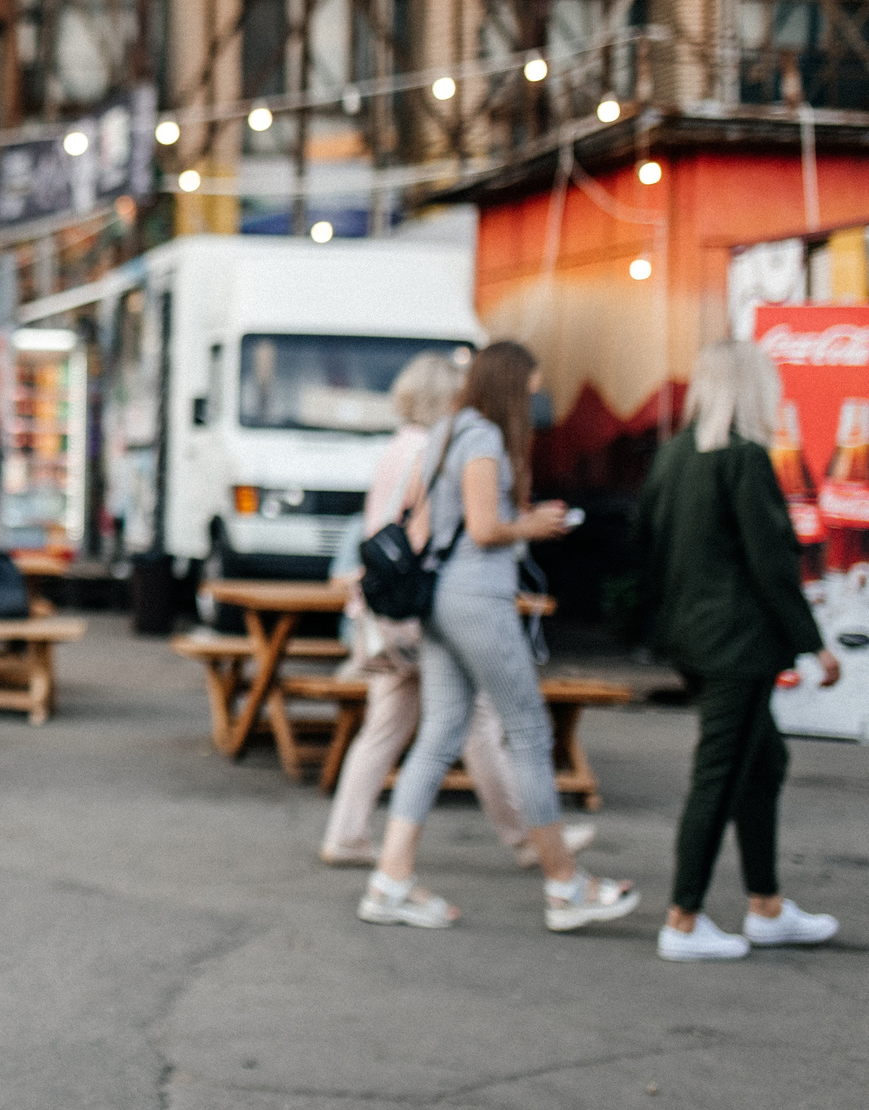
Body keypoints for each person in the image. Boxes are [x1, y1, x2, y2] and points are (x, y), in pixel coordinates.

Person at [360, 341, 637, 934]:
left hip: (439, 598)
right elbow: (485, 529)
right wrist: (533, 524)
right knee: (530, 732)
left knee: (438, 735)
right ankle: (565, 884)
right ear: (512, 385)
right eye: (532, 388)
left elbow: (429, 519)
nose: (536, 400)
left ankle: (390, 880)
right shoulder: (484, 438)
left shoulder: (446, 432)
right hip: (477, 599)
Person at [320, 353, 589, 870]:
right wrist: (522, 524)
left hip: (392, 603)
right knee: (480, 723)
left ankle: (350, 836)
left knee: (393, 728)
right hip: (428, 602)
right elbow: (456, 528)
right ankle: (528, 838)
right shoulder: (439, 446)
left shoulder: (399, 446)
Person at [633, 341, 842, 962]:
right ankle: (684, 919)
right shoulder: (745, 459)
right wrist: (815, 645)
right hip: (739, 645)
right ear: (754, 390)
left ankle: (766, 905)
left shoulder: (674, 455)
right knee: (721, 776)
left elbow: (646, 546)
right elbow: (771, 562)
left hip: (691, 639)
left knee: (762, 763)